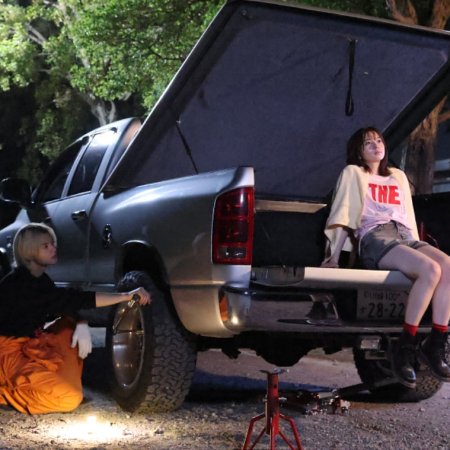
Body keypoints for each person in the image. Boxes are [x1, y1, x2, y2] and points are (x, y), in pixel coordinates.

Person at [321, 126, 450, 388]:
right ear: (358, 152)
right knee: (430, 270)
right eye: (368, 143)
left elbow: (408, 215)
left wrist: (416, 242)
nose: (376, 145)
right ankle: (406, 345)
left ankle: (436, 343)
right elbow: (344, 212)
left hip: (404, 234)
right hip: (375, 237)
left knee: (447, 265)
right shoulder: (354, 173)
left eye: (379, 141)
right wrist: (334, 256)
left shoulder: (397, 176)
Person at [0, 222, 151, 414]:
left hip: (28, 344)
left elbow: (67, 303)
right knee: (69, 399)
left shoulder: (40, 280)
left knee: (69, 325)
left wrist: (81, 322)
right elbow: (76, 299)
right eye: (45, 246)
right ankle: (6, 391)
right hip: (7, 355)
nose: (53, 248)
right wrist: (125, 296)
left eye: (52, 243)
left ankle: (48, 383)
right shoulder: (19, 285)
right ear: (29, 251)